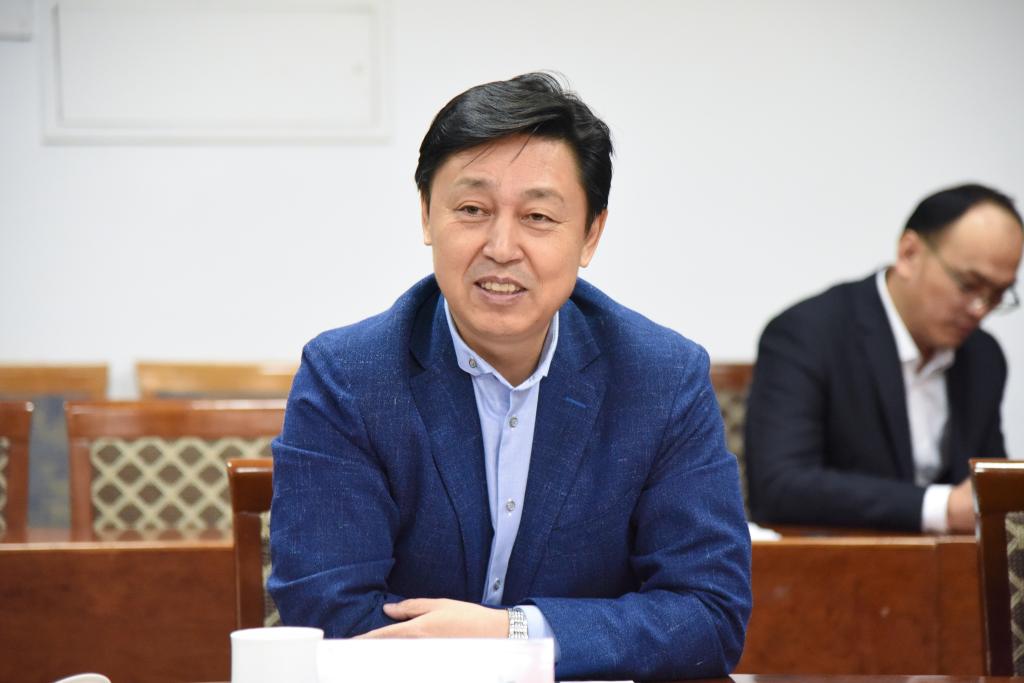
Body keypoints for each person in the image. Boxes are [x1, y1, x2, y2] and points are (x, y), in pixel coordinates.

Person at [268, 72, 751, 681]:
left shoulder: (662, 379)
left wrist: (514, 633)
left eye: (538, 216)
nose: (501, 246)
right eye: (472, 210)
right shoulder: (350, 376)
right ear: (426, 215)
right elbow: (330, 616)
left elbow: (709, 615)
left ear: (590, 235)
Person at [745, 183, 1023, 533]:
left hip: (953, 564)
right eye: (968, 285)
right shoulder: (808, 333)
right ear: (909, 253)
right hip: (843, 558)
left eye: (998, 295)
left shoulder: (983, 356)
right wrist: (943, 508)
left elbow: (986, 487)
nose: (980, 309)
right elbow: (779, 486)